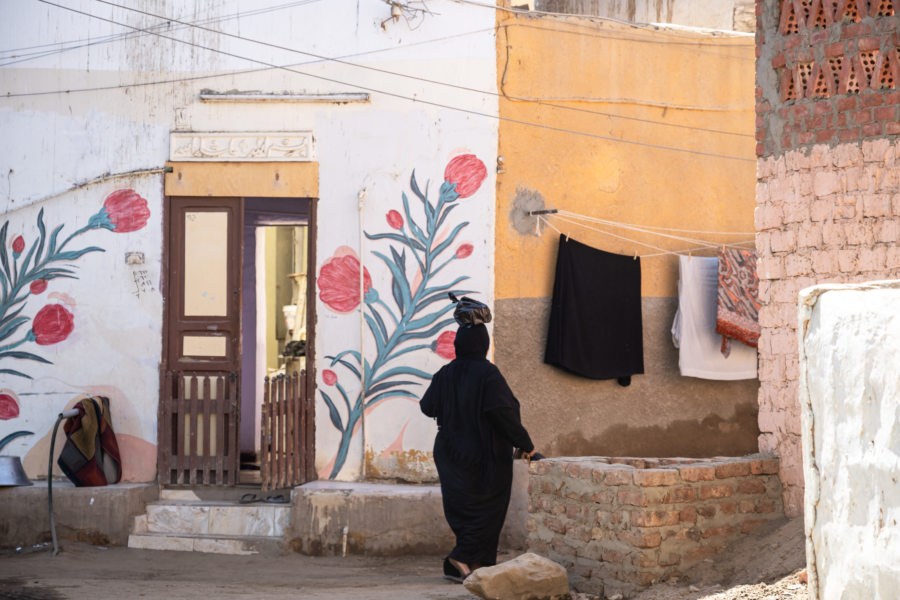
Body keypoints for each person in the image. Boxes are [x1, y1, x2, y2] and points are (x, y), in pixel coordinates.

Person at [420, 323, 537, 583]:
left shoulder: (444, 373)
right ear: (483, 344)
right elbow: (502, 414)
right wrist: (527, 445)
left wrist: (454, 403)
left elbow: (427, 407)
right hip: (483, 454)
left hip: (450, 452)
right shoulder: (488, 374)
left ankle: (472, 565)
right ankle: (461, 558)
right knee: (487, 508)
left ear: (459, 345)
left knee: (462, 507)